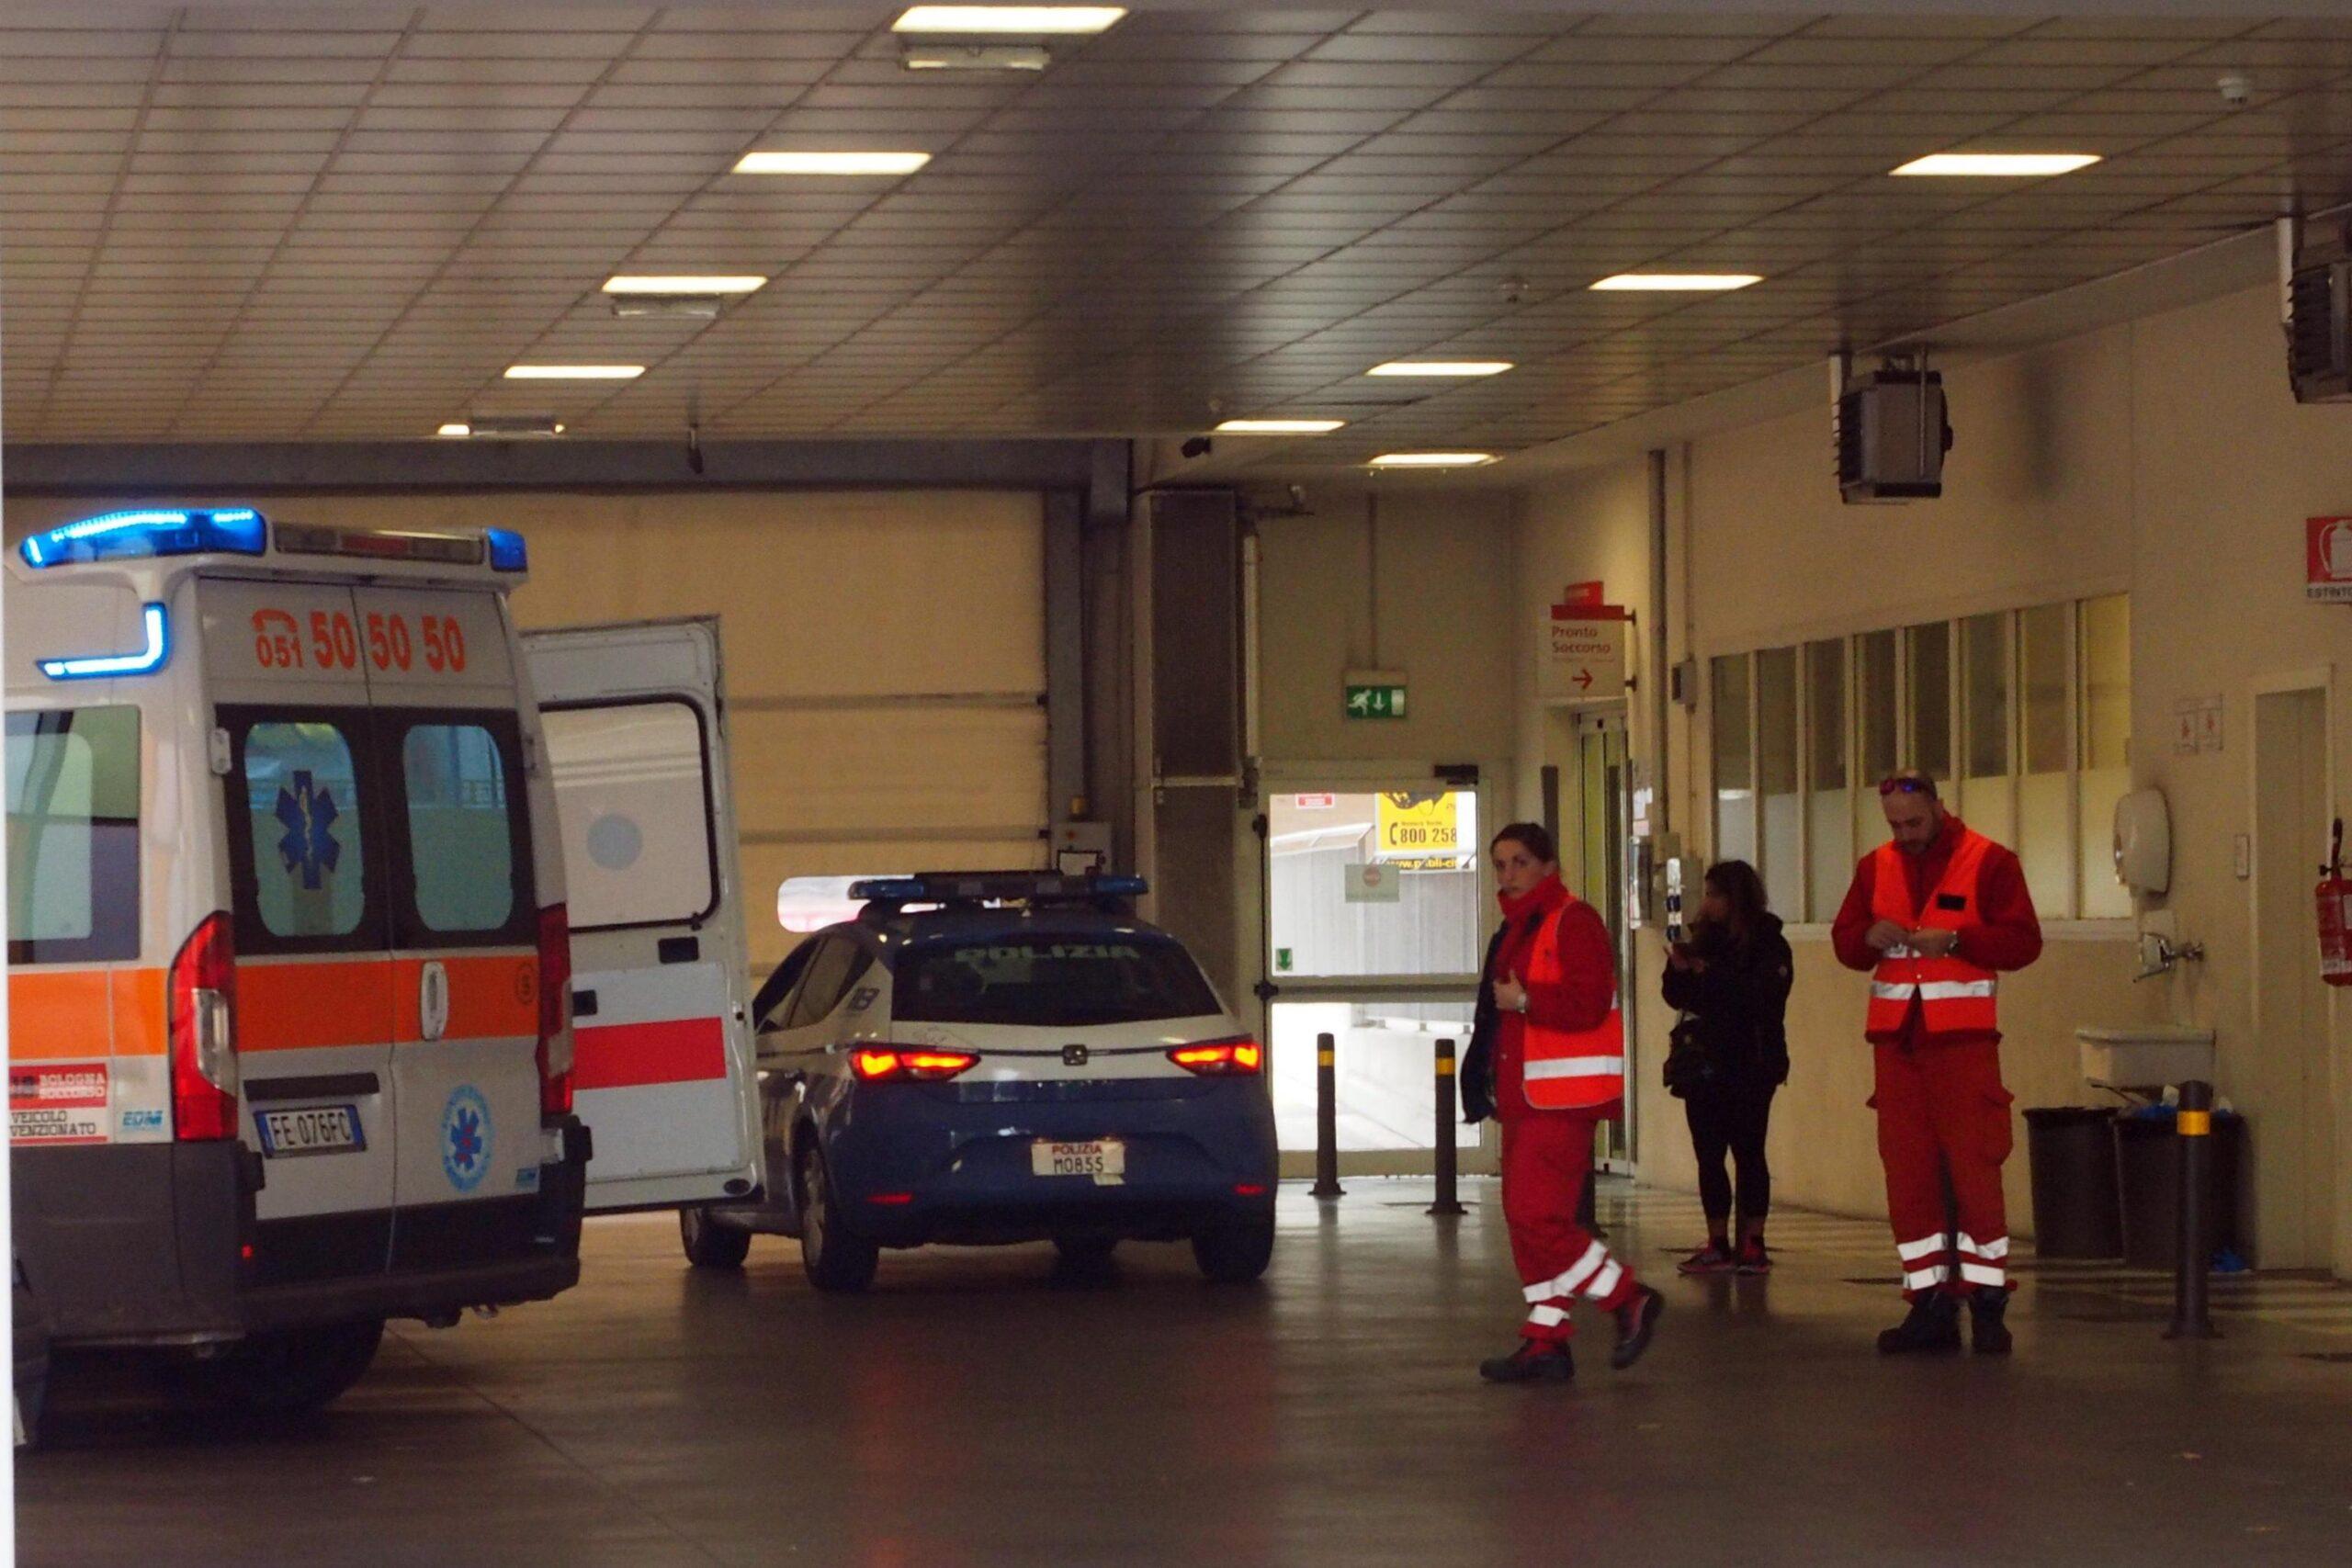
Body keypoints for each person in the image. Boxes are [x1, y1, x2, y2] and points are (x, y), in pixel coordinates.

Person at [1831, 771, 2042, 1355]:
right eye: (1895, 825)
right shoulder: (1877, 867)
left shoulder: (1989, 861)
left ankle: (1988, 1306)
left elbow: (2024, 942)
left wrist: (1957, 941)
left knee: (1977, 1176)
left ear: (1939, 809)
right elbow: (1845, 942)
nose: (1905, 834)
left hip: (1963, 1047)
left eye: (1915, 823)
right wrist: (1866, 936)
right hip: (1898, 1048)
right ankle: (1928, 1305)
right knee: (1909, 1177)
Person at [1459, 823, 1665, 1384]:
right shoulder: (1517, 928)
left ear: (1549, 866)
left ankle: (1626, 1298)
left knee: (1538, 1216)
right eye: (1500, 864)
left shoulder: (1573, 921)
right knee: (1522, 1219)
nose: (1509, 875)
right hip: (1525, 1098)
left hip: (1561, 1101)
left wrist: (1525, 999)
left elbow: (1589, 1001)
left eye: (1520, 862)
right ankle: (1546, 1337)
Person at [1661, 860, 1792, 1276]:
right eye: (1707, 894)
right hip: (1704, 1063)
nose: (1709, 903)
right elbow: (1678, 995)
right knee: (1709, 1154)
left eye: (1717, 894)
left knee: (1749, 1151)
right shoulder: (1701, 942)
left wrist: (1708, 977)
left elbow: (1760, 997)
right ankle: (1717, 1241)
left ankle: (1753, 1241)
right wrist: (1684, 970)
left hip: (1751, 1062)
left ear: (1738, 899)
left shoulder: (1768, 943)